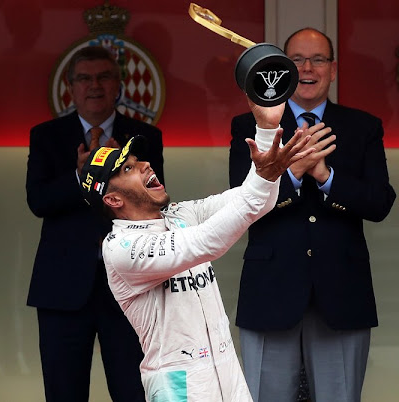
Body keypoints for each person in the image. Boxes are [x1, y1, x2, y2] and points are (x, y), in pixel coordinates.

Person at [78, 99, 315, 401]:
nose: (145, 165)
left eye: (138, 160)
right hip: (178, 383)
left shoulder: (180, 214)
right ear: (113, 200)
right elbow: (207, 241)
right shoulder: (122, 249)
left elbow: (255, 201)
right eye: (128, 168)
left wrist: (267, 129)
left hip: (226, 371)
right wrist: (266, 176)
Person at [229, 27, 396, 402]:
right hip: (270, 293)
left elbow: (379, 202)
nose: (307, 68)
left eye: (318, 59)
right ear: (284, 70)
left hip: (342, 293)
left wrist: (326, 177)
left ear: (333, 69)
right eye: (297, 60)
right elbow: (238, 206)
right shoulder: (250, 126)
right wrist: (292, 173)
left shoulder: (363, 127)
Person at [26, 45, 165, 401]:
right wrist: (81, 176)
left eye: (104, 77)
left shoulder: (144, 137)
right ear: (71, 88)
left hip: (129, 287)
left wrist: (121, 176)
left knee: (134, 392)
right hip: (63, 288)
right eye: (85, 78)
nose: (95, 86)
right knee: (64, 393)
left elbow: (154, 206)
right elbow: (39, 201)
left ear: (118, 85)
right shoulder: (47, 136)